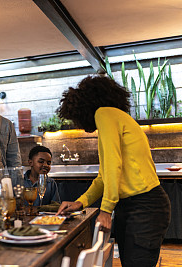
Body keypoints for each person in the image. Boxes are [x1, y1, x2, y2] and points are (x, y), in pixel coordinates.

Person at [55, 75, 170, 267]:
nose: (79, 126)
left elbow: (112, 165)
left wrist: (106, 210)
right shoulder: (116, 117)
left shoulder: (104, 114)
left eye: (75, 119)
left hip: (145, 206)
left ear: (82, 109)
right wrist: (80, 202)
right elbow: (104, 176)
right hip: (135, 206)